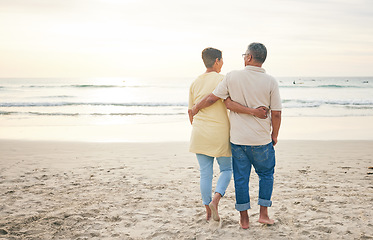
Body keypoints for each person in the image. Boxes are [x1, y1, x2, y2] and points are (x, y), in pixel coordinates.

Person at [190, 43, 282, 229]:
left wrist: (195, 108)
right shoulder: (271, 81)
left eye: (244, 55)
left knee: (240, 178)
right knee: (266, 175)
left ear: (248, 57)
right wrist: (274, 135)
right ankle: (263, 214)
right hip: (260, 139)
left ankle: (244, 220)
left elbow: (214, 99)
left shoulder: (231, 77)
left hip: (237, 140)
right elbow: (277, 114)